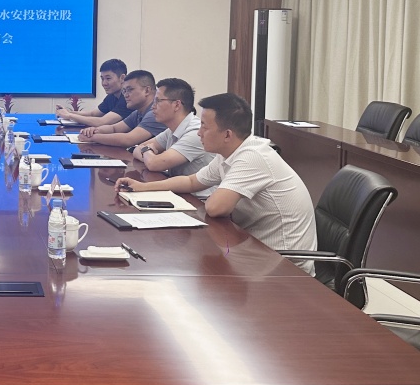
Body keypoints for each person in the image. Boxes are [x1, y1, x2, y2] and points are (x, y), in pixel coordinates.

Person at [115, 93, 317, 273]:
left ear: (227, 134)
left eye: (204, 126)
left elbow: (215, 208)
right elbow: (192, 181)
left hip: (283, 265)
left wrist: (216, 194)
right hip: (253, 249)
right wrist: (142, 187)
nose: (199, 133)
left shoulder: (252, 157)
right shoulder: (229, 153)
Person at [128, 77, 216, 197]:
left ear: (176, 105)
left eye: (158, 101)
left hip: (198, 201)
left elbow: (154, 163)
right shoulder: (172, 129)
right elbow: (137, 150)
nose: (153, 106)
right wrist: (148, 153)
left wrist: (147, 151)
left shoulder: (195, 133)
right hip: (179, 193)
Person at [79, 70, 166, 147]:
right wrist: (94, 131)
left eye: (130, 90)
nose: (126, 95)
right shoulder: (138, 112)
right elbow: (114, 128)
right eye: (124, 91)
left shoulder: (155, 112)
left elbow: (128, 140)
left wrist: (92, 137)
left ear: (147, 90)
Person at [55, 58, 128, 126]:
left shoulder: (127, 98)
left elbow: (101, 122)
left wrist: (69, 115)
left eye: (108, 78)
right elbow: (93, 114)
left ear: (122, 78)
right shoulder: (112, 96)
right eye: (102, 79)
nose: (104, 83)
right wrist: (67, 112)